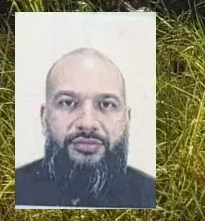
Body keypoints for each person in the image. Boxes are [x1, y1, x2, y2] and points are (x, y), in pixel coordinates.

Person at [15, 47, 156, 209]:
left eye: (107, 104)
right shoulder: (15, 190)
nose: (88, 124)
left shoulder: (150, 195)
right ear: (44, 118)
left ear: (127, 120)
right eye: (67, 102)